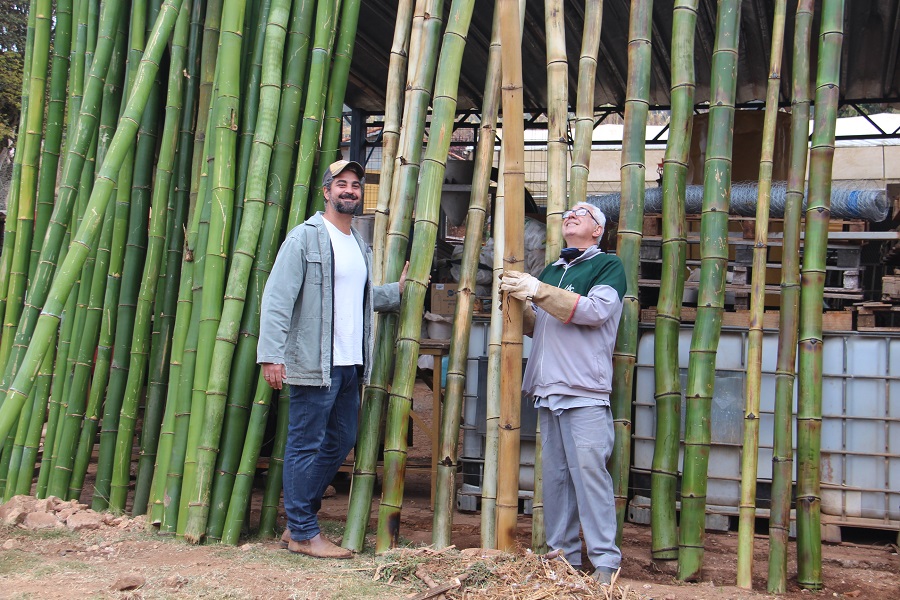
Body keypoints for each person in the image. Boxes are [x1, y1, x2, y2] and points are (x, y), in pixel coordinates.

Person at [258, 159, 407, 559]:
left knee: (342, 438)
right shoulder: (305, 237)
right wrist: (271, 355)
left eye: (355, 185)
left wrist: (395, 292)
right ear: (326, 192)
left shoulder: (358, 243)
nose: (349, 191)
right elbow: (277, 298)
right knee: (305, 443)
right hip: (312, 361)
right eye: (341, 184)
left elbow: (353, 299)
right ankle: (305, 532)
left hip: (349, 362)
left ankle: (298, 523)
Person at [499, 202, 626, 584]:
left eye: (583, 213)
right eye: (568, 212)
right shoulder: (555, 268)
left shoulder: (607, 266)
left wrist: (537, 289)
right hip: (549, 388)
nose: (571, 215)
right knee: (555, 478)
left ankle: (605, 561)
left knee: (590, 475)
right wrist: (518, 303)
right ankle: (563, 556)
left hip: (584, 389)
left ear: (597, 231)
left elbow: (594, 312)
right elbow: (544, 328)